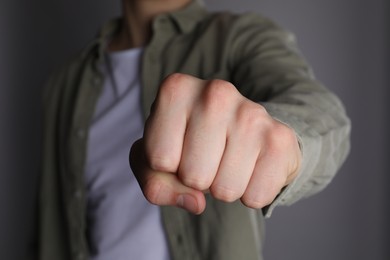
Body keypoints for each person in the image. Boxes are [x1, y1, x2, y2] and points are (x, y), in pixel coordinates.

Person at [38, 0, 351, 259]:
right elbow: (49, 226)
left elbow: (321, 113)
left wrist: (286, 143)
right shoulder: (65, 82)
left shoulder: (240, 37)